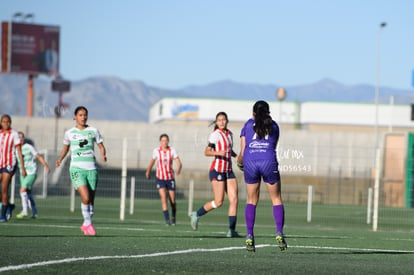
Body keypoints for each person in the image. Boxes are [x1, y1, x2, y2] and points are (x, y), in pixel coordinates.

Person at [237, 100, 287, 252]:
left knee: (251, 200)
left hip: (250, 162)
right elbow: (273, 145)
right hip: (268, 161)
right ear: (268, 112)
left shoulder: (247, 125)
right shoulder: (274, 126)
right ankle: (279, 232)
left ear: (253, 113)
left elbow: (242, 152)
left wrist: (240, 163)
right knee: (276, 198)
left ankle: (250, 235)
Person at [56, 106, 107, 236]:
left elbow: (101, 145)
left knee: (91, 200)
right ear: (75, 116)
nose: (83, 117)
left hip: (92, 169)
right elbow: (65, 149)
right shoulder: (69, 133)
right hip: (77, 168)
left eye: (85, 115)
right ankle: (88, 223)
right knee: (85, 197)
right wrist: (60, 158)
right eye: (80, 115)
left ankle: (86, 224)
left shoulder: (93, 131)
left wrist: (103, 154)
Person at [190, 111, 240, 238]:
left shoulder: (230, 134)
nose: (222, 122)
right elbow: (207, 152)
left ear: (227, 121)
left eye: (224, 119)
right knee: (219, 202)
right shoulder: (215, 135)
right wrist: (218, 153)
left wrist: (237, 156)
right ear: (216, 122)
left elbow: (229, 150)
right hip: (217, 170)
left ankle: (231, 230)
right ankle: (197, 214)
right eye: (219, 120)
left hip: (229, 171)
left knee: (234, 200)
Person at [145, 134, 182, 225]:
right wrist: (148, 171)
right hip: (160, 178)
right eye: (162, 140)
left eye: (166, 140)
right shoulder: (156, 151)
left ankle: (173, 217)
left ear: (168, 141)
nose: (164, 142)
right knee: (163, 198)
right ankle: (167, 220)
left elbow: (179, 162)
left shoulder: (172, 150)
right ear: (160, 142)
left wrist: (178, 169)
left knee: (172, 200)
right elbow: (152, 162)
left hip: (170, 178)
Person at [16, 132, 50, 219]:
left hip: (31, 172)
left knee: (22, 190)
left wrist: (45, 165)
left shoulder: (28, 147)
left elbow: (38, 156)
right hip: (22, 173)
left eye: (22, 138)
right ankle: (34, 211)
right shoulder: (15, 149)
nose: (20, 139)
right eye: (19, 138)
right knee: (27, 192)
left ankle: (25, 210)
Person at [0, 114, 26, 222]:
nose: (6, 123)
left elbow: (19, 151)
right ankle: (9, 206)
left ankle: (2, 214)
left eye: (8, 121)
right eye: (4, 121)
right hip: (0, 163)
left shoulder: (14, 134)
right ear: (1, 123)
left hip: (10, 164)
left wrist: (22, 167)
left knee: (4, 188)